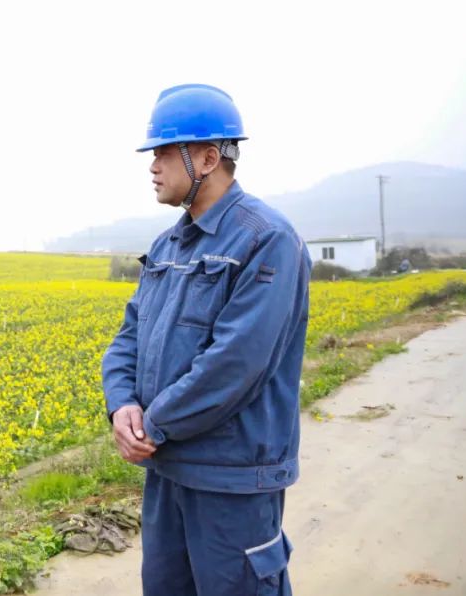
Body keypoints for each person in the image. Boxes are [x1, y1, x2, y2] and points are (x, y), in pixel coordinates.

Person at [102, 84, 311, 595]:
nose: (153, 166)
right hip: (168, 468)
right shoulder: (167, 245)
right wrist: (121, 405)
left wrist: (153, 425)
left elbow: (236, 364)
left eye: (163, 153)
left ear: (209, 158)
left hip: (231, 478)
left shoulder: (266, 239)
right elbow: (128, 337)